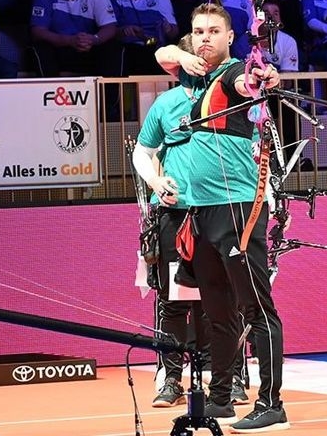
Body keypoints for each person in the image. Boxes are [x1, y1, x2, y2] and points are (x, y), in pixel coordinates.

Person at [153, 4, 287, 431]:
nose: (206, 37)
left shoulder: (230, 75)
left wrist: (265, 77)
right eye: (198, 31)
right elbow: (161, 54)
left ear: (231, 37)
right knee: (216, 311)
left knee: (255, 308)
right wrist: (183, 51)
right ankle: (222, 398)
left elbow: (251, 81)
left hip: (238, 209)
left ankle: (271, 404)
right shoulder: (193, 76)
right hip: (200, 212)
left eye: (214, 31)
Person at [130, 37, 214, 408]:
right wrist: (154, 180)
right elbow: (142, 152)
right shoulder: (166, 103)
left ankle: (224, 379)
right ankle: (171, 380)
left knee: (219, 299)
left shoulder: (228, 96)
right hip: (174, 212)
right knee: (174, 299)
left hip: (217, 210)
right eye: (193, 54)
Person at [109, 0, 177, 75]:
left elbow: (174, 32)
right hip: (128, 49)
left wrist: (168, 29)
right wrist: (124, 30)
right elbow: (110, 30)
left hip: (155, 46)